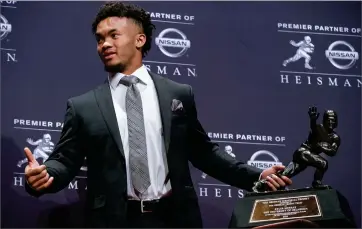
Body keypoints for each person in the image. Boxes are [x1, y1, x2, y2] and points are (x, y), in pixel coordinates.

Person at [24, 2, 292, 228]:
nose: (104, 44)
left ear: (140, 39)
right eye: (99, 38)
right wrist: (45, 176)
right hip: (113, 220)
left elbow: (204, 153)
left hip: (175, 218)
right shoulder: (83, 106)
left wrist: (255, 176)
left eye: (113, 35)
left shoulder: (178, 93)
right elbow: (64, 160)